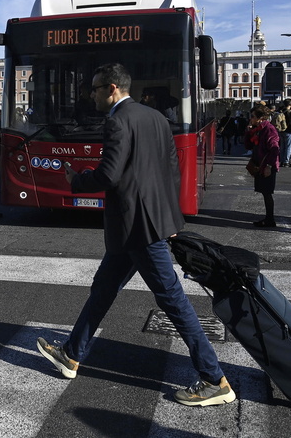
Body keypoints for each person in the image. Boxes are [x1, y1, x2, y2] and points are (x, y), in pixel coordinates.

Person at [35, 63, 236, 407]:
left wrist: (77, 179)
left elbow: (109, 176)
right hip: (145, 223)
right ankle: (71, 353)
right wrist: (169, 215)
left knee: (173, 300)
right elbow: (172, 169)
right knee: (103, 289)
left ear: (112, 89)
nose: (92, 94)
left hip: (137, 227)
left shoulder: (117, 120)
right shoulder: (155, 117)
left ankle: (214, 379)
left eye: (96, 88)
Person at [245, 105, 280, 227]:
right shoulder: (258, 129)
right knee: (265, 192)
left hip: (266, 166)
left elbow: (274, 149)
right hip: (260, 165)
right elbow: (248, 146)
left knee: (267, 193)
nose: (251, 119)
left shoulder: (269, 129)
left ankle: (270, 219)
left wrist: (269, 166)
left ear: (260, 118)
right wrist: (248, 132)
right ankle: (269, 218)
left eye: (253, 116)